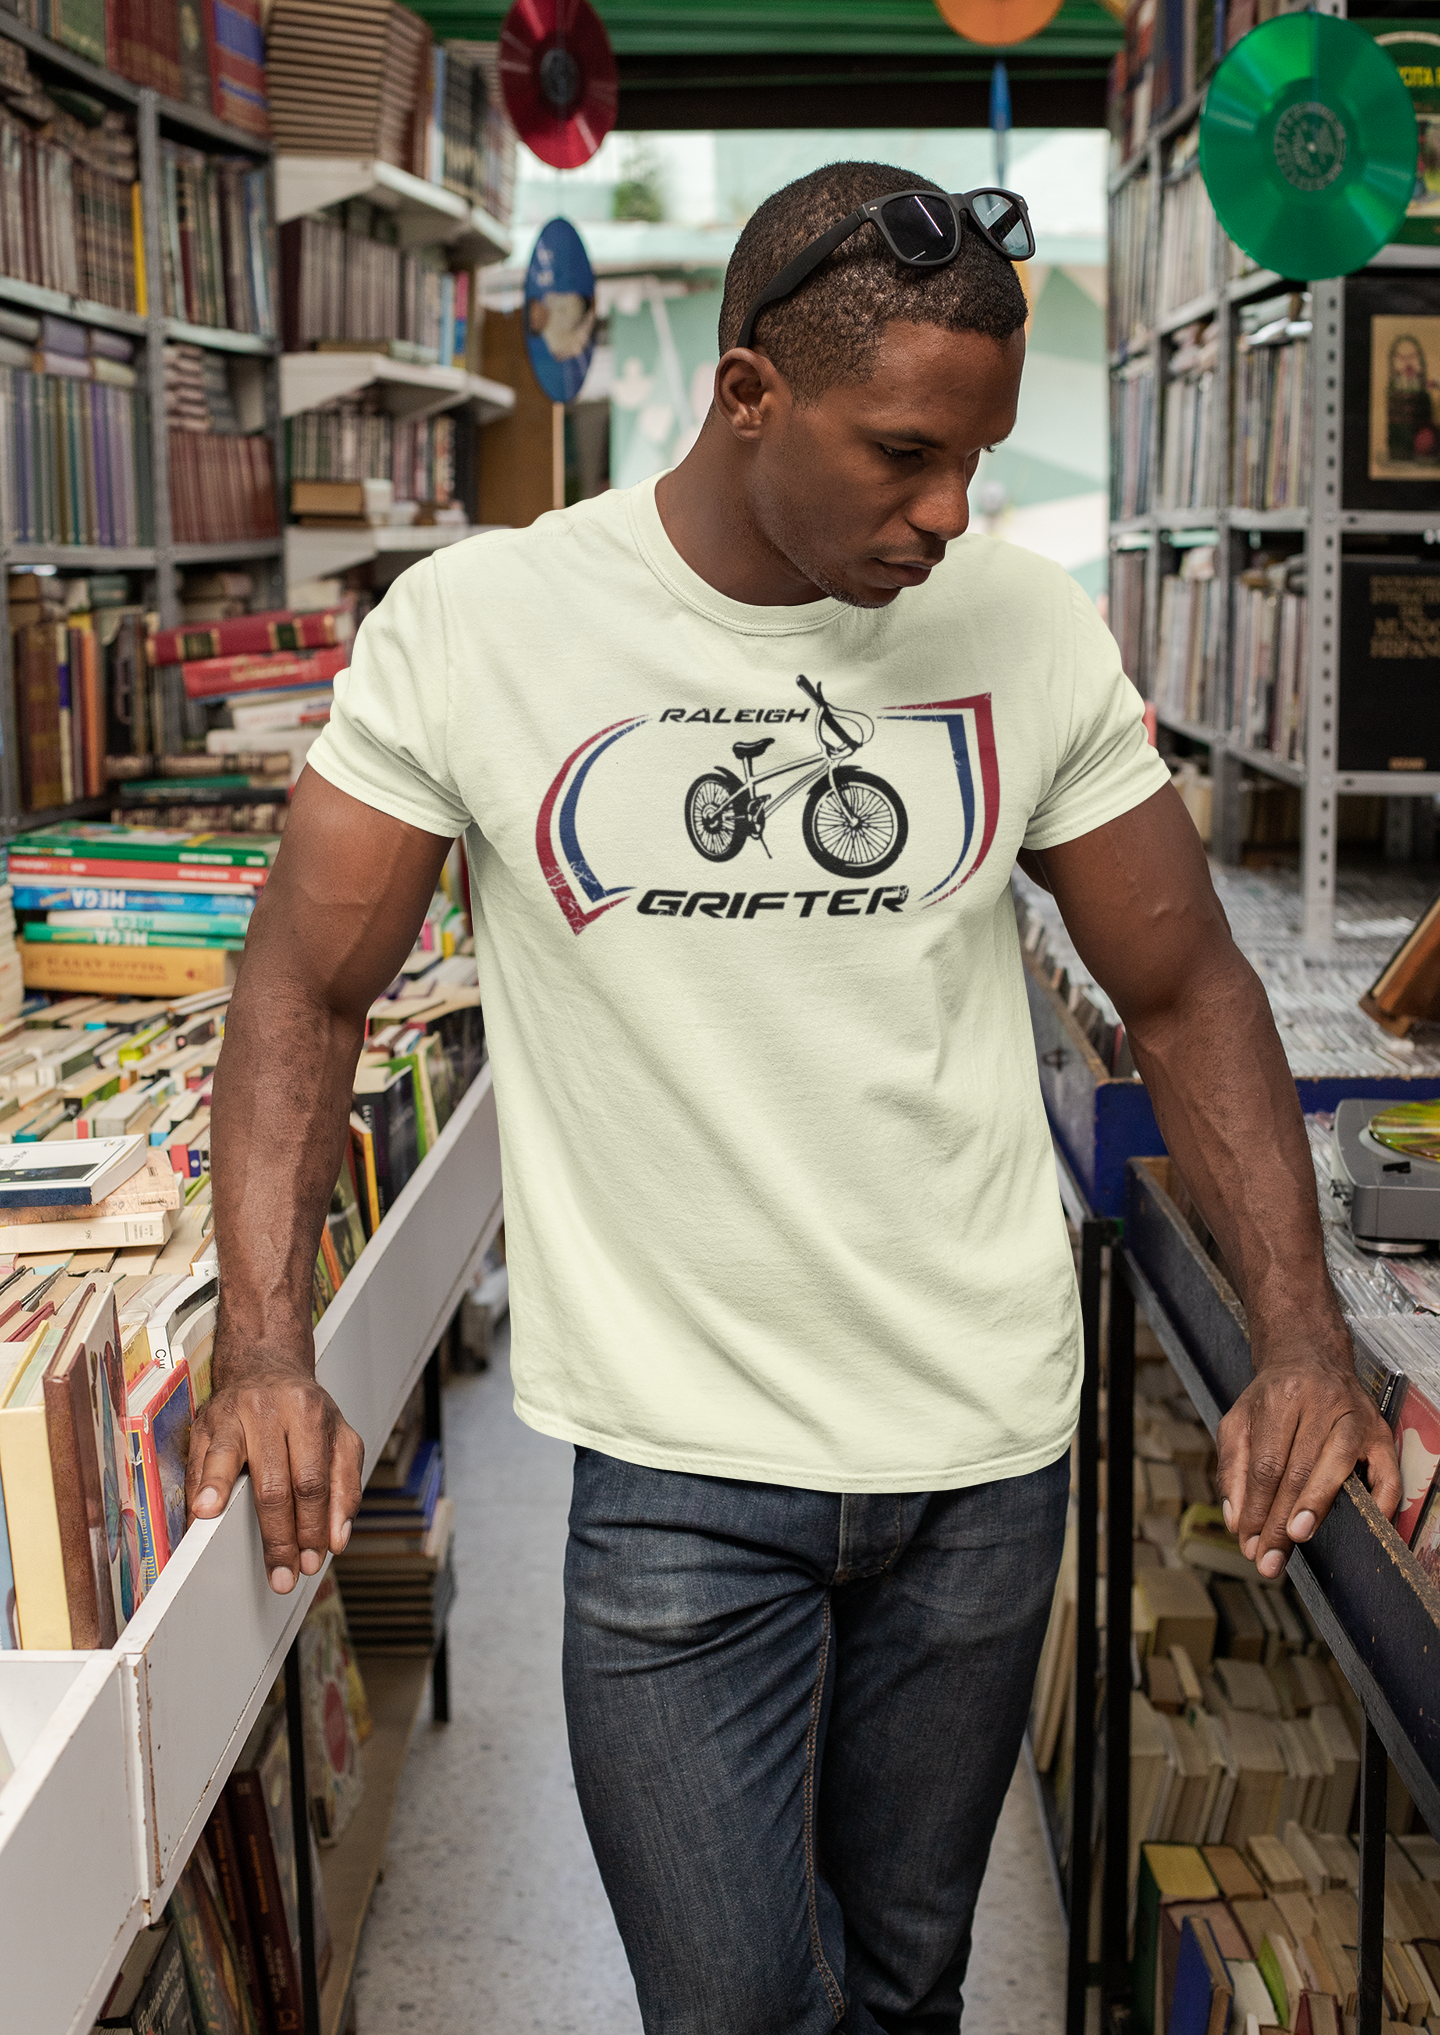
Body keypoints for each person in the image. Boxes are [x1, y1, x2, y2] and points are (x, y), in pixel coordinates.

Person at [187, 162, 1401, 2034]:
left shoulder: (1022, 629)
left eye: (976, 459)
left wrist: (1302, 1336)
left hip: (982, 1457)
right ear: (747, 392)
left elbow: (1184, 990)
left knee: (910, 1982)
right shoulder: (482, 624)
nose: (951, 512)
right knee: (737, 2000)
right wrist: (267, 1348)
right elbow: (305, 984)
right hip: (677, 1465)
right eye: (905, 454)